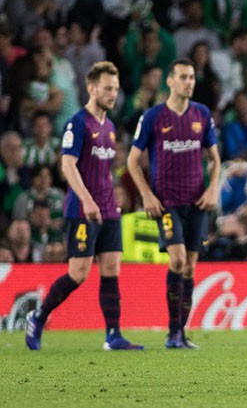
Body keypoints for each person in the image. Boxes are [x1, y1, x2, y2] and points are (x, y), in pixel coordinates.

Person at [25, 61, 143, 351]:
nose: (113, 94)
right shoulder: (77, 123)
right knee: (79, 272)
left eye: (115, 89)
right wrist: (88, 199)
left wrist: (110, 197)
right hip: (81, 209)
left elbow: (102, 169)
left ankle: (113, 334)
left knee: (112, 268)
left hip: (108, 207)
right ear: (91, 88)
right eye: (107, 88)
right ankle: (38, 316)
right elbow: (67, 164)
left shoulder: (110, 127)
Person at [127, 59, 221, 349]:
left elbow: (215, 159)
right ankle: (172, 332)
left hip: (197, 203)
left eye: (192, 77)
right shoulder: (153, 117)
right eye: (183, 77)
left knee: (191, 266)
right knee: (178, 259)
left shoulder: (202, 115)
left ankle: (180, 332)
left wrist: (212, 189)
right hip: (167, 203)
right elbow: (132, 161)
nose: (189, 82)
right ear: (170, 81)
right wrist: (146, 195)